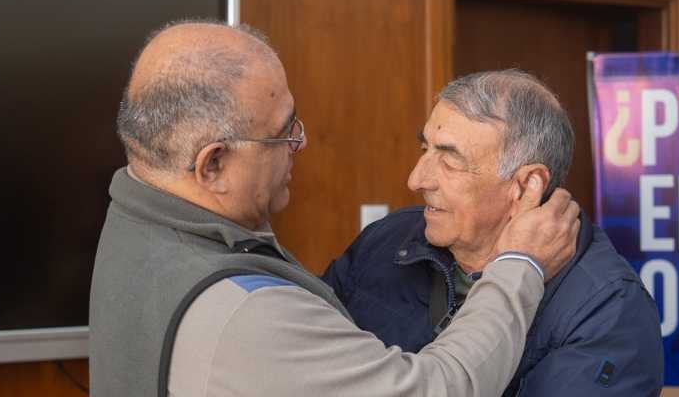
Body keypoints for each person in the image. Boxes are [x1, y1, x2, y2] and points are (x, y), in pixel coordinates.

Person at [88, 21, 580, 397]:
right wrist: (519, 265)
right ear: (212, 163)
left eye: (449, 158)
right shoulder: (249, 312)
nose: (298, 144)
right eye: (282, 133)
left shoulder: (134, 210)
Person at [323, 70, 665, 396]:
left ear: (526, 185)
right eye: (425, 148)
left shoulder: (607, 309)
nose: (417, 179)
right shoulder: (385, 240)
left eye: (450, 160)